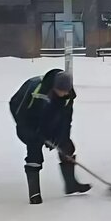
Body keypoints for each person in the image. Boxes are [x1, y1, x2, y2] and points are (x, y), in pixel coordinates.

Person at [9, 69, 90, 204]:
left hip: (51, 123)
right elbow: (17, 108)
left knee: (67, 147)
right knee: (34, 152)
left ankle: (71, 185)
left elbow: (66, 120)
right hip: (29, 124)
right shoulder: (36, 89)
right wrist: (27, 130)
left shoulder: (68, 97)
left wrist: (61, 138)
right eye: (60, 90)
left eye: (66, 91)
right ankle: (34, 194)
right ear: (53, 87)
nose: (63, 93)